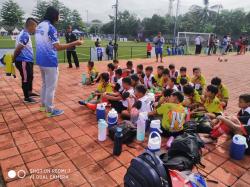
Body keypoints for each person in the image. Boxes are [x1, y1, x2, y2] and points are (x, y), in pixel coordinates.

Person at [36, 7, 83, 117]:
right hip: (50, 61)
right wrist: (75, 43)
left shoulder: (39, 26)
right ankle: (50, 110)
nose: (59, 17)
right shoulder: (51, 28)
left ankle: (43, 106)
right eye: (58, 15)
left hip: (40, 60)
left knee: (44, 84)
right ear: (54, 16)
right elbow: (57, 47)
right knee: (50, 87)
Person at [13, 18, 39, 104]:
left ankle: (29, 92)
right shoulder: (25, 35)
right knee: (26, 79)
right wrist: (13, 58)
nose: (36, 29)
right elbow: (19, 48)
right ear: (30, 25)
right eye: (35, 26)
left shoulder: (25, 34)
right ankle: (26, 97)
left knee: (30, 76)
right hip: (23, 61)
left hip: (27, 61)